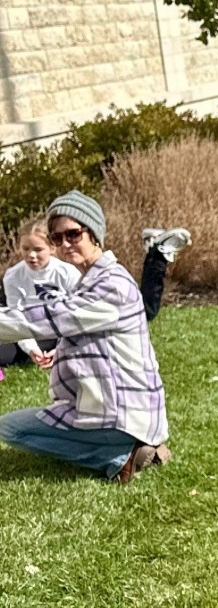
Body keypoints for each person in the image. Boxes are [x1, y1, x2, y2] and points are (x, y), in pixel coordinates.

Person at [0, 192, 170, 483]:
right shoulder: (92, 278)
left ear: (95, 234)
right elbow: (84, 332)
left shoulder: (111, 285)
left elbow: (44, 318)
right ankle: (129, 447)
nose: (65, 244)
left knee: (11, 429)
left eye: (73, 234)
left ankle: (119, 456)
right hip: (120, 406)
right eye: (56, 238)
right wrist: (62, 352)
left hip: (127, 412)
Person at [1, 219, 77, 374]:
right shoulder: (12, 276)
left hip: (61, 331)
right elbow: (16, 319)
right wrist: (31, 349)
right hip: (28, 331)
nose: (31, 255)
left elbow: (77, 318)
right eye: (26, 249)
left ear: (52, 248)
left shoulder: (68, 273)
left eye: (38, 249)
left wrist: (62, 349)